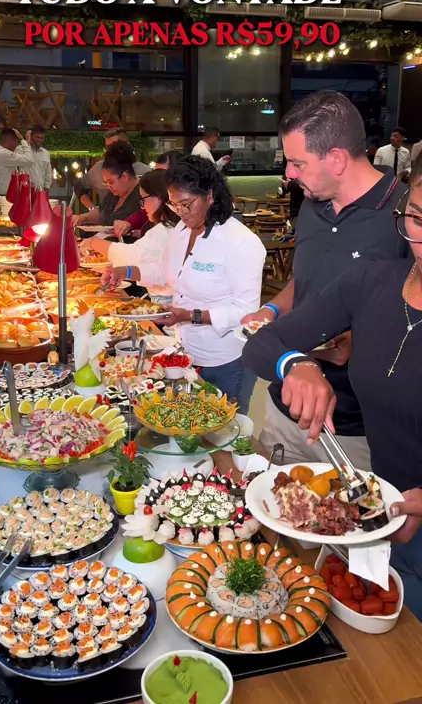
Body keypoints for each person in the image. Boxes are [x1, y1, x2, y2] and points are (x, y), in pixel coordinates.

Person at [242, 152, 422, 619]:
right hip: (381, 516)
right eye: (419, 218)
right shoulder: (374, 280)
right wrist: (296, 363)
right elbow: (262, 343)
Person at [241, 90, 410, 469]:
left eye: (297, 163)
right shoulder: (312, 204)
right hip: (284, 408)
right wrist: (272, 310)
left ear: (336, 159)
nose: (289, 173)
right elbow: (304, 278)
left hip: (356, 431)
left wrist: (353, 342)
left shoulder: (405, 218)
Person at [106, 156, 266, 413]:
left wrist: (190, 316)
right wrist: (125, 271)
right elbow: (166, 271)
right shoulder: (182, 229)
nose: (180, 212)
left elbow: (246, 312)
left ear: (210, 195)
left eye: (186, 204)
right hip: (186, 354)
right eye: (174, 204)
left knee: (226, 429)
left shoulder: (241, 242)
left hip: (227, 360)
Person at [81, 169, 178, 299]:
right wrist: (124, 271)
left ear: (159, 198)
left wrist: (94, 242)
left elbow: (134, 256)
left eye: (143, 199)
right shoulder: (169, 227)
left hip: (169, 301)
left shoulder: (166, 230)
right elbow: (156, 269)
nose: (142, 207)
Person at [74, 129, 150, 213]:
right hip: (105, 218)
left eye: (115, 146)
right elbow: (79, 188)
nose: (111, 151)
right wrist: (92, 208)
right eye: (108, 148)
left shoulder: (145, 171)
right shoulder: (98, 168)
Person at [74, 142, 141, 228]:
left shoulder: (143, 194)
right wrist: (83, 217)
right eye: (106, 183)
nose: (108, 187)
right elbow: (101, 213)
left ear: (125, 176)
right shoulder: (113, 195)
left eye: (111, 182)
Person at [0, 127, 34, 196]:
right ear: (11, 141)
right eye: (17, 142)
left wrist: (26, 142)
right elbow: (29, 159)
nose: (17, 145)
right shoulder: (3, 154)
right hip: (5, 196)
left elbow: (20, 155)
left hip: (3, 194)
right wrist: (22, 139)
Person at [27, 125, 52, 193]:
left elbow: (48, 175)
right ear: (31, 136)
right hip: (24, 191)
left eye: (42, 138)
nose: (40, 140)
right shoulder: (23, 150)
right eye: (37, 137)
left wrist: (46, 193)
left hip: (40, 192)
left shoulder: (46, 153)